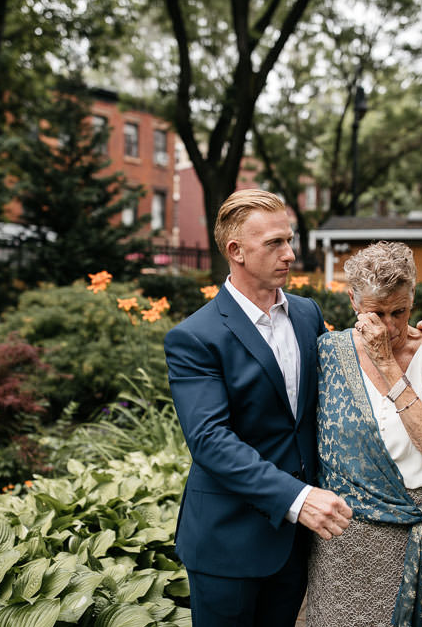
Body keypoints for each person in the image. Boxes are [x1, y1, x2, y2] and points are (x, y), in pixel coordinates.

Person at [165, 189, 353, 627]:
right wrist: (298, 498)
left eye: (289, 240)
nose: (290, 254)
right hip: (227, 542)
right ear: (237, 251)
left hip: (293, 543)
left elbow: (342, 382)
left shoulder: (306, 314)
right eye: (274, 243)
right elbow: (210, 441)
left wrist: (415, 346)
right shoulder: (195, 337)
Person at [305, 241, 422, 627]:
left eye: (400, 311)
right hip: (343, 538)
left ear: (413, 298)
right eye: (376, 313)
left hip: (414, 528)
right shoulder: (328, 352)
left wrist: (387, 364)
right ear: (353, 301)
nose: (390, 326)